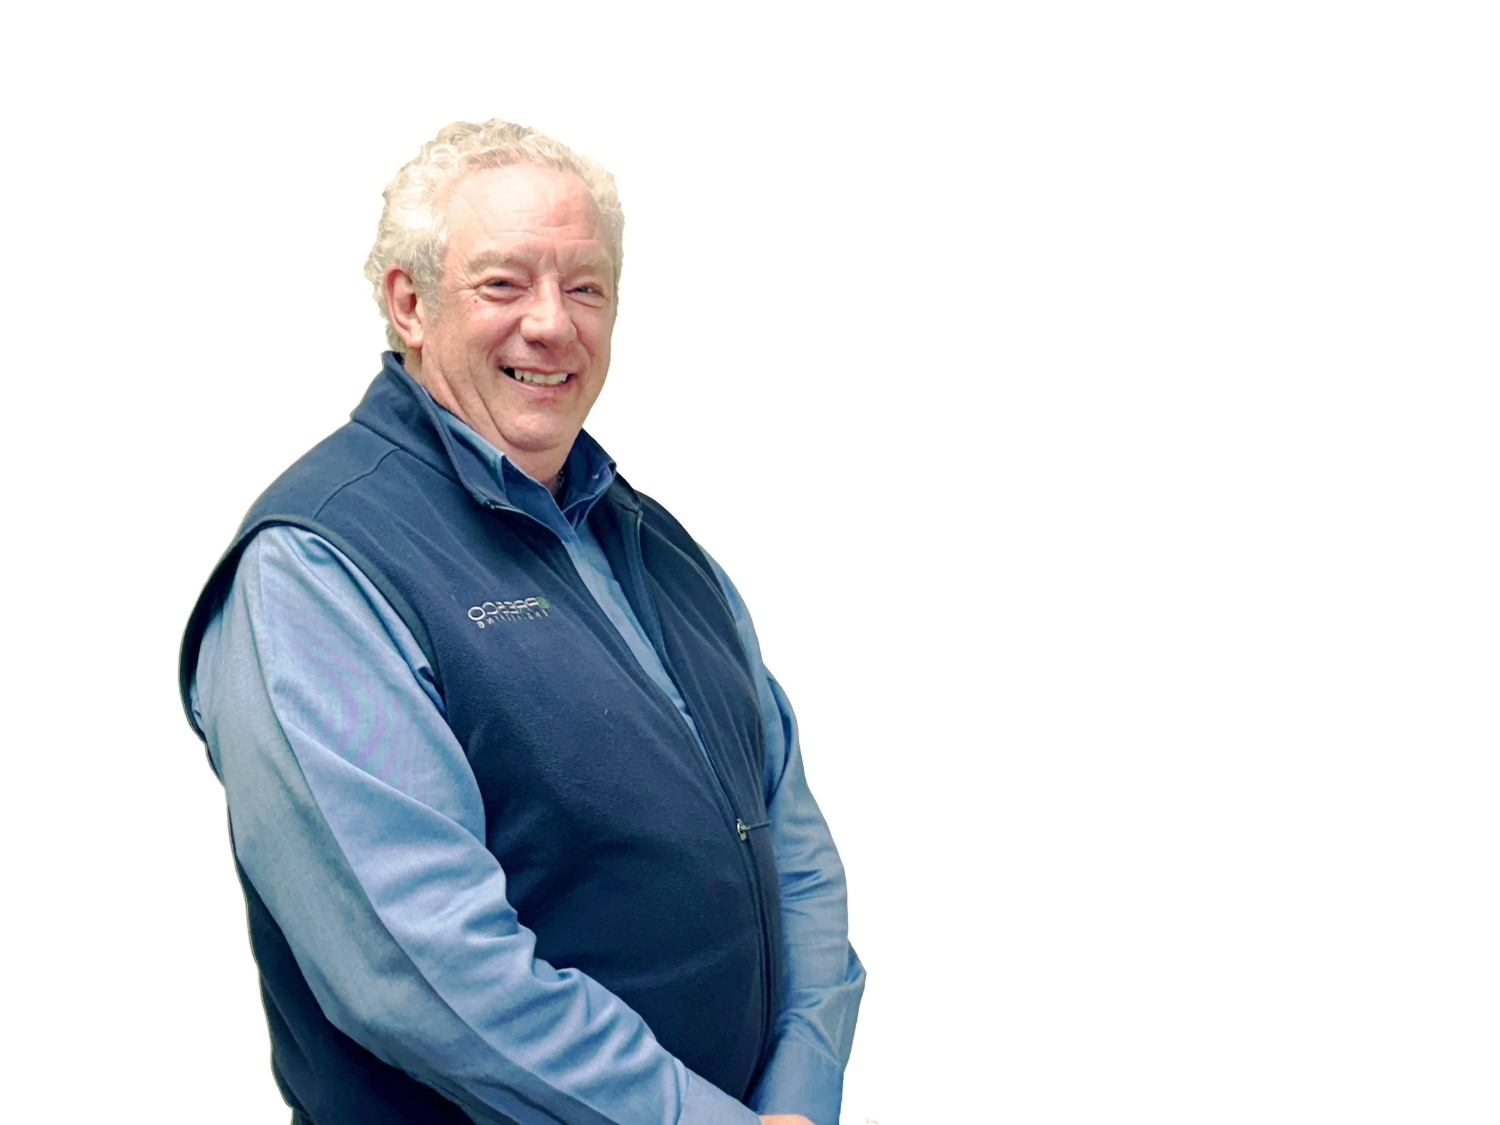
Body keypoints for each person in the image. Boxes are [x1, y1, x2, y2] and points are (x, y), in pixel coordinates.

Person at [177, 119, 864, 1125]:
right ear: (408, 303)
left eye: (585, 287)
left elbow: (792, 850)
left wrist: (800, 1091)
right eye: (502, 283)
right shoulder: (318, 568)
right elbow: (427, 969)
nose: (551, 324)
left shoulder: (655, 544)